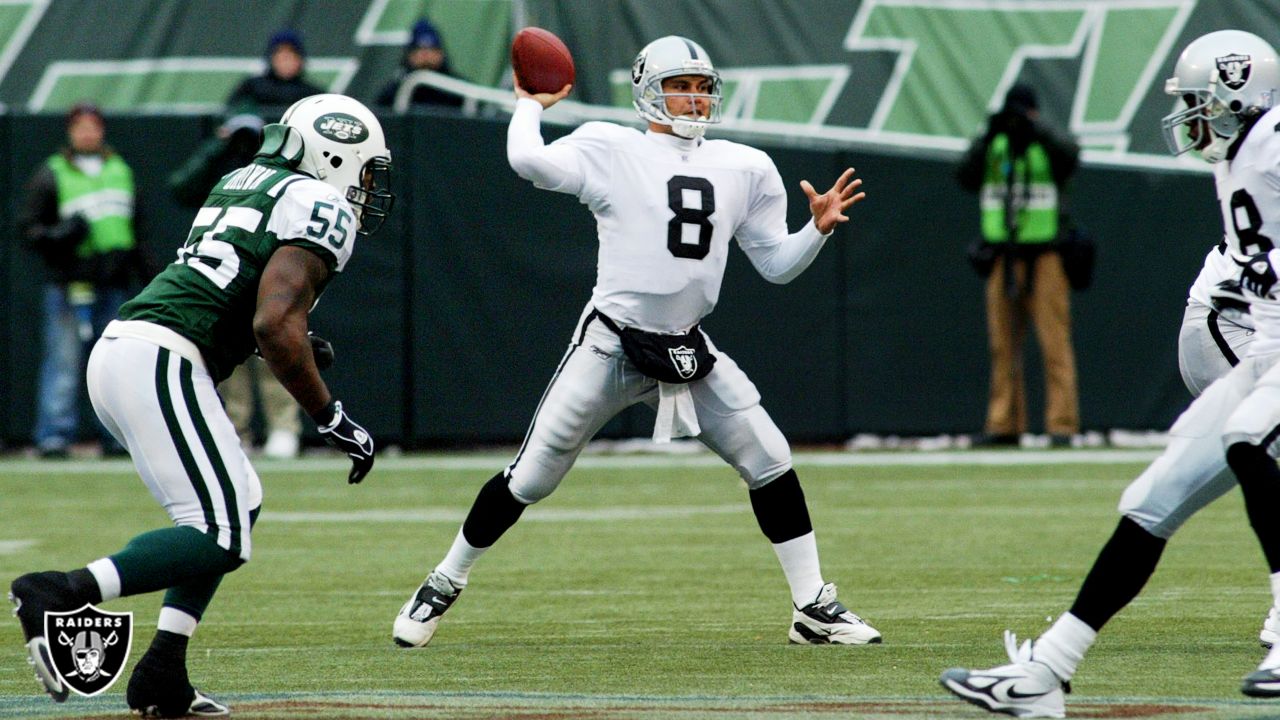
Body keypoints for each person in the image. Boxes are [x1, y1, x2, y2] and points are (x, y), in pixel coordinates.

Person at [392, 36, 879, 650]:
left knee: (771, 458)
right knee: (532, 477)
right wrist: (528, 105)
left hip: (686, 347)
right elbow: (530, 164)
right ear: (648, 88)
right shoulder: (611, 145)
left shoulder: (746, 165)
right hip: (610, 345)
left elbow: (777, 266)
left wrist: (814, 229)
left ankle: (812, 608)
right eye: (681, 85)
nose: (694, 98)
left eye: (702, 87)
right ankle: (445, 577)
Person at [8, 93, 392, 717]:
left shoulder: (244, 180)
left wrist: (285, 337)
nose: (369, 184)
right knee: (220, 531)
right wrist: (331, 416)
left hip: (134, 351)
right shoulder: (320, 202)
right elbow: (273, 324)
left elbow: (237, 303)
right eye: (367, 167)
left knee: (236, 503)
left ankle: (164, 670)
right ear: (335, 153)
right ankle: (61, 590)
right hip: (161, 357)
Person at [940, 30, 1280, 718]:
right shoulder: (1239, 155)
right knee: (1150, 500)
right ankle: (1044, 676)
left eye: (1201, 101)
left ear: (1240, 92)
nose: (1192, 117)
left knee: (1248, 436)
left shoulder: (1274, 135)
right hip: (1266, 352)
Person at [168, 113, 303, 458]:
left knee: (275, 341)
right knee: (228, 358)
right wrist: (218, 146)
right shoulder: (221, 167)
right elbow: (180, 187)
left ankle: (283, 427)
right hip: (221, 271)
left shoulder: (285, 172)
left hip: (266, 269)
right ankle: (234, 428)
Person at [21, 101, 148, 458]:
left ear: (102, 129)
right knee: (63, 361)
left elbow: (136, 227)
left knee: (112, 364)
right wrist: (61, 235)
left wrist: (143, 270)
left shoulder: (120, 169)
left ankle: (112, 434)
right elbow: (29, 230)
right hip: (69, 281)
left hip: (113, 280)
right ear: (70, 131)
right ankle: (54, 435)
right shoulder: (52, 172)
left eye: (93, 126)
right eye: (80, 126)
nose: (87, 133)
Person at [958, 83, 1081, 447]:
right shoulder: (996, 145)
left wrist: (1038, 130)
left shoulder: (1045, 144)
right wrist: (988, 135)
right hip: (1002, 254)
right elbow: (964, 175)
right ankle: (1004, 423)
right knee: (1003, 344)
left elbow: (1070, 158)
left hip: (1046, 253)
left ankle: (1062, 425)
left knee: (1054, 342)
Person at [226, 29, 323, 114]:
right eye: (281, 58)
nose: (286, 63)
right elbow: (230, 111)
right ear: (271, 59)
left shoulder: (313, 93)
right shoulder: (252, 86)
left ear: (300, 60)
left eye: (291, 57)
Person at [375, 17, 464, 110]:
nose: (426, 56)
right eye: (419, 50)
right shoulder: (394, 94)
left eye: (431, 49)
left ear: (440, 53)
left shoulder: (460, 92)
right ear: (409, 55)